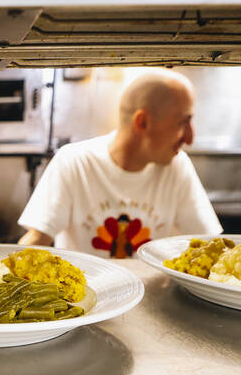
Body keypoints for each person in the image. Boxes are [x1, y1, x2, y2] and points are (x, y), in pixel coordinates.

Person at [17, 70, 222, 258]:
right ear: (142, 122)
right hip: (87, 294)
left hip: (153, 293)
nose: (189, 137)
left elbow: (208, 247)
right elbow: (37, 240)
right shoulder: (74, 161)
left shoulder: (177, 166)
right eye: (182, 122)